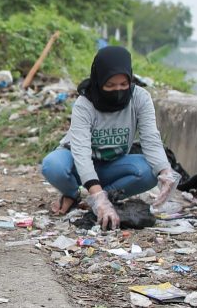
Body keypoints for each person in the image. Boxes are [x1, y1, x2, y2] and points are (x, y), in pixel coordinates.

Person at [40, 46, 180, 230]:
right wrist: (97, 195)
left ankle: (105, 197)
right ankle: (74, 194)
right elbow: (81, 152)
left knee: (149, 171)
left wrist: (165, 171)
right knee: (53, 165)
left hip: (112, 165)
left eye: (123, 85)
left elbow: (150, 138)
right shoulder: (85, 104)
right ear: (99, 81)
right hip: (76, 161)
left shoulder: (140, 98)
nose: (118, 91)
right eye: (110, 86)